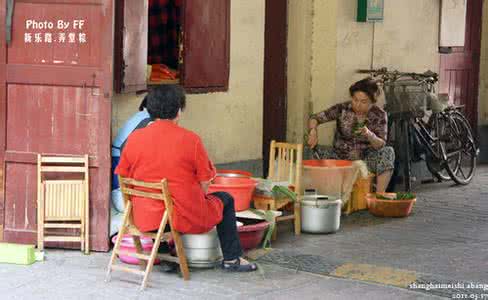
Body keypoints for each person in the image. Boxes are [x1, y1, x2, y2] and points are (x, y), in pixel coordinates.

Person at [115, 85, 257, 272]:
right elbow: (205, 181)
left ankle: (164, 253)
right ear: (179, 111)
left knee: (164, 201)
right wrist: (196, 199)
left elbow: (124, 177)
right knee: (226, 200)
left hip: (143, 217)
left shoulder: (134, 139)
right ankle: (232, 258)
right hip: (182, 218)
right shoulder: (190, 140)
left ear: (150, 109)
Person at [307, 78, 395, 192]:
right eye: (355, 100)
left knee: (388, 152)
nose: (358, 105)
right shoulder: (342, 109)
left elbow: (380, 145)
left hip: (365, 161)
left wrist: (369, 134)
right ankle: (319, 191)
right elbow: (315, 118)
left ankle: (379, 196)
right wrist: (313, 131)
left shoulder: (379, 115)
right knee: (308, 150)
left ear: (372, 102)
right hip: (339, 157)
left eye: (363, 102)